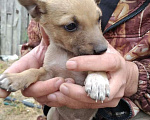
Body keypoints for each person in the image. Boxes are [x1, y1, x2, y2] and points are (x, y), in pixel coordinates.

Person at [1, 0, 150, 120]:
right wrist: (25, 74)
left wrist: (131, 77)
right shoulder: (46, 11)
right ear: (37, 11)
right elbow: (44, 70)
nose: (100, 45)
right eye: (71, 26)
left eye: (98, 19)